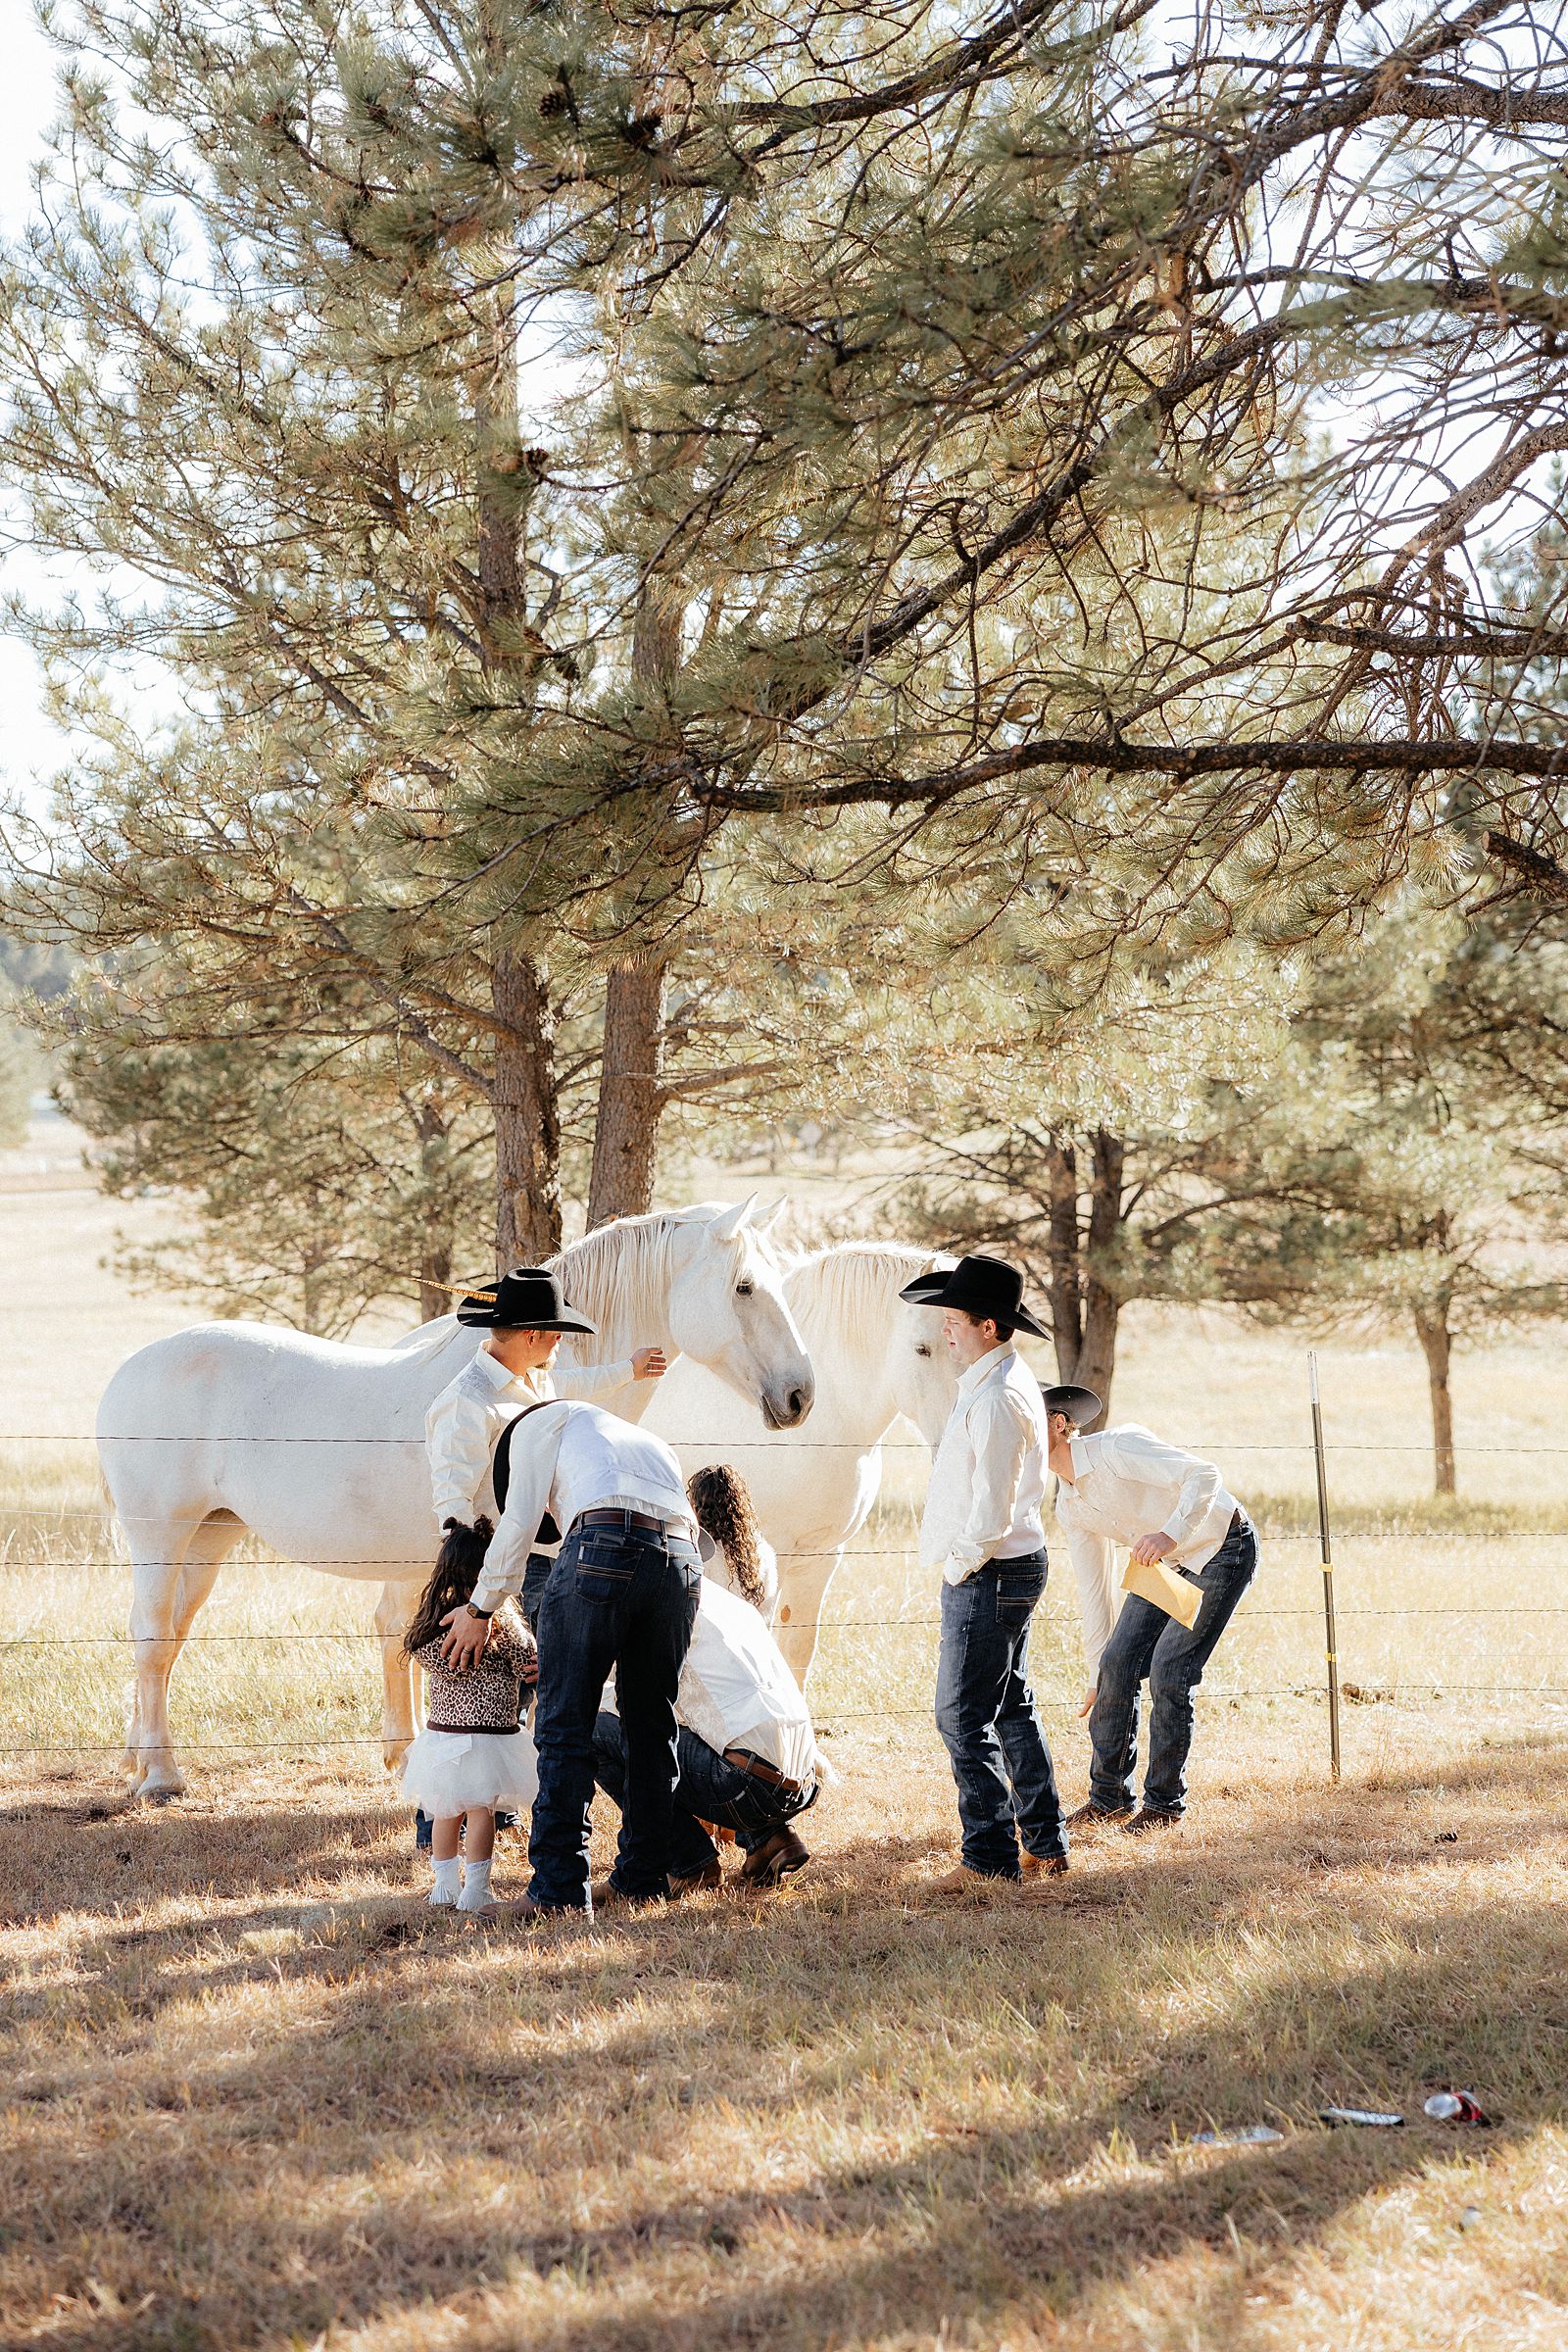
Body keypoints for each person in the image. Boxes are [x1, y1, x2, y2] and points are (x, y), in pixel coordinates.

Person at [441, 1393, 703, 1918]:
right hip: (681, 1560)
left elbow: (517, 1526)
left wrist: (480, 1607)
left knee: (564, 1727)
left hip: (601, 1545)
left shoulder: (539, 1427)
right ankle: (643, 1879)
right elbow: (690, 1539)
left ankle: (559, 1890)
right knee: (652, 1728)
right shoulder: (646, 1442)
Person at [897, 1252, 1069, 1895]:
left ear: (990, 1327)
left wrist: (959, 1568)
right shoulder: (999, 1378)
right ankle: (1045, 1845)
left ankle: (990, 1856)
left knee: (961, 1716)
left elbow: (991, 1510)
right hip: (1009, 1565)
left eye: (955, 1320)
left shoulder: (999, 1397)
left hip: (992, 1569)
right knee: (1010, 1706)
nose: (945, 1329)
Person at [1044, 1388, 1258, 1833]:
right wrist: (1095, 1674)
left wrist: (1168, 1534)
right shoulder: (1069, 1504)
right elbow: (1094, 1591)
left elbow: (1204, 1474)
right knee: (1116, 1663)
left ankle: (1163, 1807)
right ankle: (1109, 1799)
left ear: (1058, 1424)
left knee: (1169, 1669)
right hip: (1168, 1562)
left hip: (1223, 1545)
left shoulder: (1115, 1449)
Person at [426, 1265, 667, 1632]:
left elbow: (579, 1383)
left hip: (549, 1553)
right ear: (532, 1335)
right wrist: (475, 1596)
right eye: (557, 1332)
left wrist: (628, 1370)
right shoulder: (466, 1403)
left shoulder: (535, 1379)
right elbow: (453, 1503)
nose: (561, 1340)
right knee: (525, 1676)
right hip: (503, 1567)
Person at [591, 1568, 822, 1898]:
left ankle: (689, 1861)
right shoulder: (727, 1603)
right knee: (724, 1720)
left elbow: (637, 1705)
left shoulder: (660, 1605)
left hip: (748, 1785)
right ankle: (771, 1838)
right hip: (802, 1783)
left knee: (596, 1730)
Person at [399, 1529, 539, 1918]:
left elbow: (424, 1652)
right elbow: (527, 1661)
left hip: (445, 1736)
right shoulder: (502, 1623)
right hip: (490, 1737)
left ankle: (444, 1885)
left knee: (445, 1809)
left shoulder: (434, 1624)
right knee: (481, 1811)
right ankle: (476, 1889)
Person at [685, 1462, 778, 1612]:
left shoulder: (698, 1554)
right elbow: (766, 1610)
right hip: (749, 1633)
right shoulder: (761, 1551)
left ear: (697, 1508)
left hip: (709, 1635)